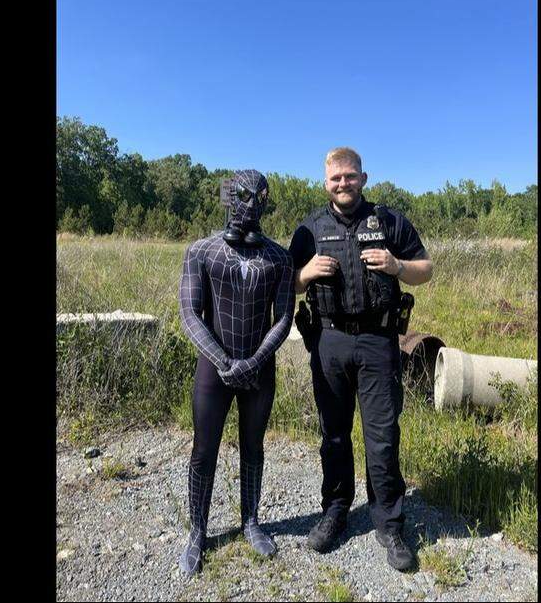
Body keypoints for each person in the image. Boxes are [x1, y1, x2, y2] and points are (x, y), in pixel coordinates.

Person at [288, 147, 433, 571]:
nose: (343, 184)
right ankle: (335, 510)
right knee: (333, 434)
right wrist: (305, 274)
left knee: (382, 437)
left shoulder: (388, 222)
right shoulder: (309, 229)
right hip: (329, 341)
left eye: (350, 177)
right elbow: (287, 285)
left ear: (363, 178)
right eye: (336, 179)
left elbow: (425, 269)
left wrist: (396, 264)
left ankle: (389, 523)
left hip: (378, 341)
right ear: (325, 183)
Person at [176, 169, 295, 576]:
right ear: (228, 195)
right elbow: (190, 313)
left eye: (260, 197)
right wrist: (223, 361)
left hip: (258, 369)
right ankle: (197, 532)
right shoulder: (202, 252)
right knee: (203, 449)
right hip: (215, 369)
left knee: (254, 446)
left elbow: (283, 318)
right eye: (244, 195)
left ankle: (250, 521)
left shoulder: (279, 257)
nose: (251, 204)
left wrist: (254, 361)